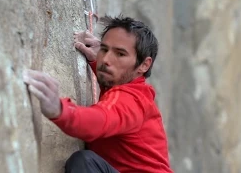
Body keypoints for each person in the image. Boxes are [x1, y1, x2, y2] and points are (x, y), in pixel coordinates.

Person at [23, 15, 173, 173]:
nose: (106, 59)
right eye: (105, 49)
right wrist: (99, 60)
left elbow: (102, 118)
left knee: (85, 162)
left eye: (120, 54)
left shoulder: (132, 101)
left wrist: (60, 110)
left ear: (144, 65)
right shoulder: (126, 85)